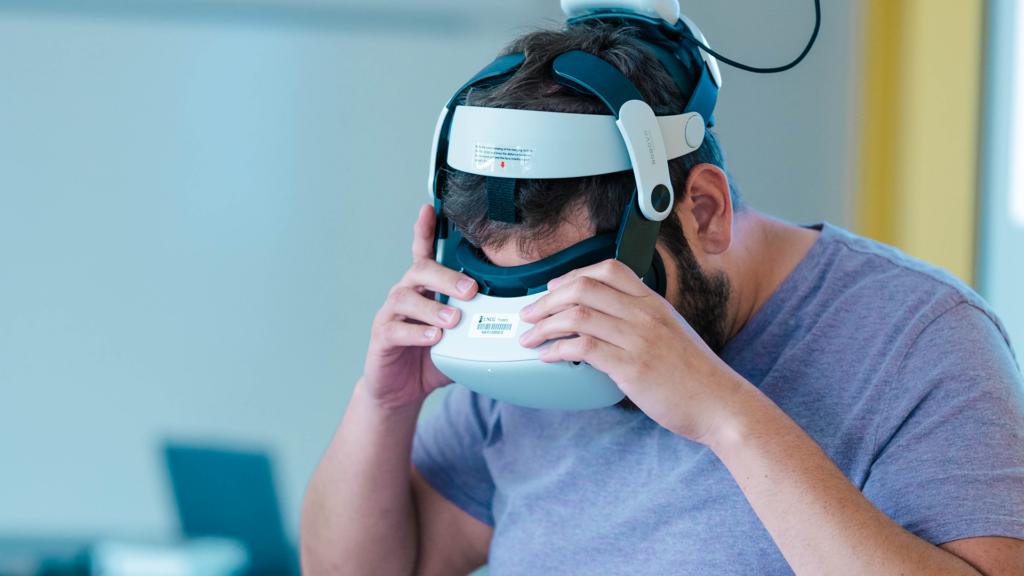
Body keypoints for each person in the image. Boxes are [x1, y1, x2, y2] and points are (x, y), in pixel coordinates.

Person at [300, 24, 1024, 576]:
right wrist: (384, 404)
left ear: (702, 211)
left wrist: (723, 415)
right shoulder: (517, 351)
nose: (553, 333)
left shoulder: (923, 339)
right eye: (514, 290)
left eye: (590, 293)